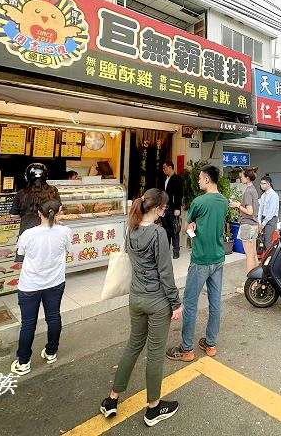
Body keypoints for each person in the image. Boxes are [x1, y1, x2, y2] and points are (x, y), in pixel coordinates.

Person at [100, 188, 182, 426]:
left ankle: (112, 399)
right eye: (164, 208)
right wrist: (176, 302)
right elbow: (165, 273)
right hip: (157, 301)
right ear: (157, 208)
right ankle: (154, 408)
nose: (164, 212)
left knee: (133, 345)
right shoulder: (158, 233)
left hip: (135, 299)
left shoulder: (131, 229)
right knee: (155, 354)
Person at [166, 165, 227, 362]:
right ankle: (210, 344)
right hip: (218, 258)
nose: (199, 181)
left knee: (190, 304)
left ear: (207, 179)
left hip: (200, 259)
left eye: (200, 178)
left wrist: (191, 226)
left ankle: (187, 349)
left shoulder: (199, 202)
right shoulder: (224, 201)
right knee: (215, 302)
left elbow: (185, 228)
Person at [10, 198, 69, 376]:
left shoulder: (28, 234)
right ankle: (51, 352)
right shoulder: (65, 231)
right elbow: (66, 249)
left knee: (28, 323)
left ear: (39, 213)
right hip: (55, 282)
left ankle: (24, 362)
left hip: (30, 284)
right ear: (58, 213)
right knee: (53, 317)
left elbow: (20, 253)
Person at [10, 163, 60, 235]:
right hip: (49, 230)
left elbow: (13, 215)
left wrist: (25, 215)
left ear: (27, 177)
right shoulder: (53, 190)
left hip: (27, 231)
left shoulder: (21, 193)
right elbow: (59, 210)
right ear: (46, 176)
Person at [231, 168, 259, 288]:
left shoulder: (248, 191)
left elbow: (249, 211)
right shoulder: (254, 189)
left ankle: (249, 284)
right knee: (254, 254)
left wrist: (238, 205)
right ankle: (257, 280)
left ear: (247, 177)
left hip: (247, 225)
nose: (240, 178)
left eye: (241, 176)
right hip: (253, 225)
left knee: (249, 256)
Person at [160, 160, 184, 259]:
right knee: (166, 230)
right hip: (164, 208)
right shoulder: (165, 179)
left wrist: (178, 208)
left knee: (174, 229)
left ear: (170, 167)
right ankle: (166, 250)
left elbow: (179, 194)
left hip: (173, 208)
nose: (163, 170)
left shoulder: (177, 178)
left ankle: (176, 251)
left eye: (164, 168)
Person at [258, 176, 280, 249]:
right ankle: (264, 258)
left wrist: (263, 224)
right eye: (261, 183)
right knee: (262, 239)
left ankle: (271, 258)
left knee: (268, 240)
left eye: (263, 183)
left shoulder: (273, 195)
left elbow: (271, 212)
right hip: (263, 218)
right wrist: (259, 221)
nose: (261, 185)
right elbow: (260, 209)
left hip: (271, 219)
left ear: (269, 184)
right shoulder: (263, 195)